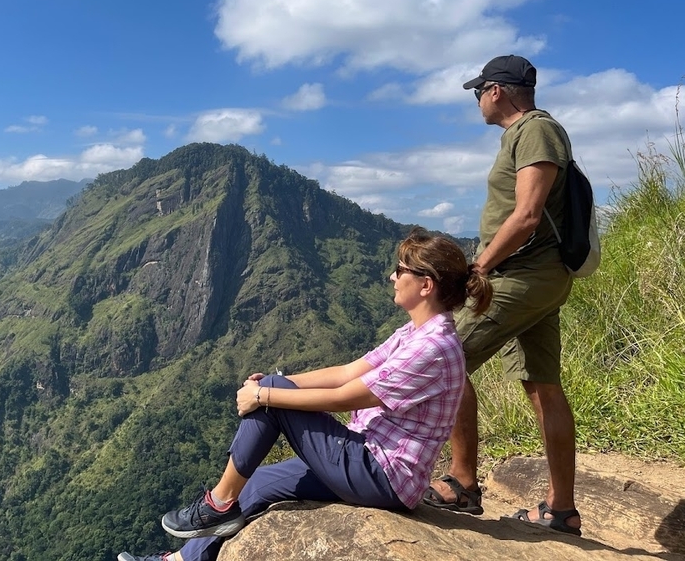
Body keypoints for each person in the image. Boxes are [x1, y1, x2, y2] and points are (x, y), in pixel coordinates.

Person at [116, 229, 493, 561]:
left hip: (383, 476)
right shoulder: (413, 334)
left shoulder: (432, 348)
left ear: (425, 285)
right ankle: (182, 559)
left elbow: (344, 396)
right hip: (366, 458)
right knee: (260, 482)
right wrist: (282, 380)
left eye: (401, 270)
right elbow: (347, 371)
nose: (393, 276)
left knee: (274, 400)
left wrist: (265, 395)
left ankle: (216, 503)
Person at [422, 54, 583, 536]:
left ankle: (463, 481)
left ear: (497, 91)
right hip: (534, 274)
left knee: (445, 357)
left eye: (478, 92)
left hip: (524, 275)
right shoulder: (523, 134)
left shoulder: (535, 129)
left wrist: (481, 267)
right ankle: (561, 510)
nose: (476, 101)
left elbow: (529, 214)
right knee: (541, 383)